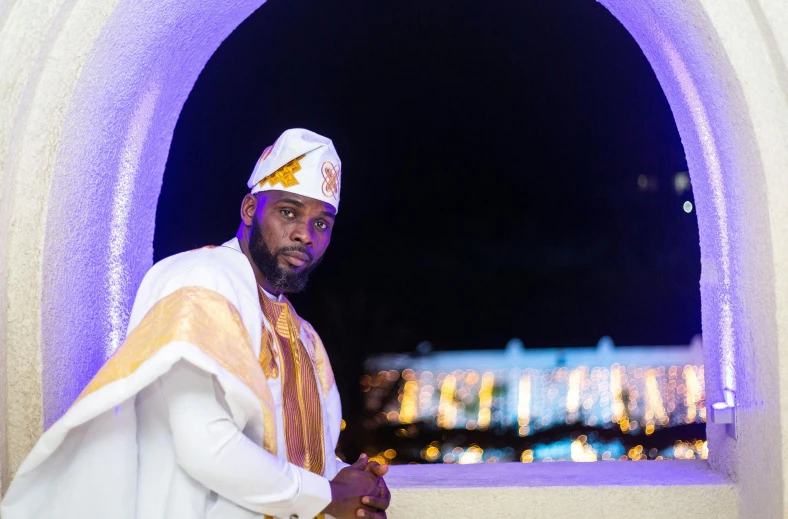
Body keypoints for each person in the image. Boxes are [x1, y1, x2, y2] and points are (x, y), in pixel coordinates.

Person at [1, 129, 391, 519]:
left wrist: (356, 484)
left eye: (322, 223)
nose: (305, 234)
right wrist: (325, 494)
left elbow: (301, 459)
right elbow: (205, 445)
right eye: (288, 212)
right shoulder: (201, 281)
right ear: (250, 210)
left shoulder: (305, 337)